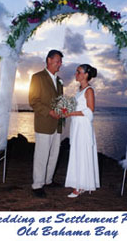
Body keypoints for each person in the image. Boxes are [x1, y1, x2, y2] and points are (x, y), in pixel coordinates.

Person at [29, 49, 63, 198]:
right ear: (49, 60)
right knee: (42, 155)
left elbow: (59, 101)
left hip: (57, 123)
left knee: (54, 154)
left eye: (61, 61)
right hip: (44, 122)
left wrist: (63, 110)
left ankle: (48, 180)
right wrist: (50, 112)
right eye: (58, 61)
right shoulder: (37, 77)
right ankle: (37, 185)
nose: (60, 64)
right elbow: (33, 101)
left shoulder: (59, 81)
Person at [65, 64, 100, 198]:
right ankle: (81, 184)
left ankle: (79, 187)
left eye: (78, 72)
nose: (76, 74)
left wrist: (72, 113)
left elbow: (90, 111)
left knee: (82, 153)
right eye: (76, 72)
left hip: (83, 126)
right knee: (77, 153)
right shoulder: (79, 90)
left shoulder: (89, 90)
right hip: (77, 125)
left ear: (86, 75)